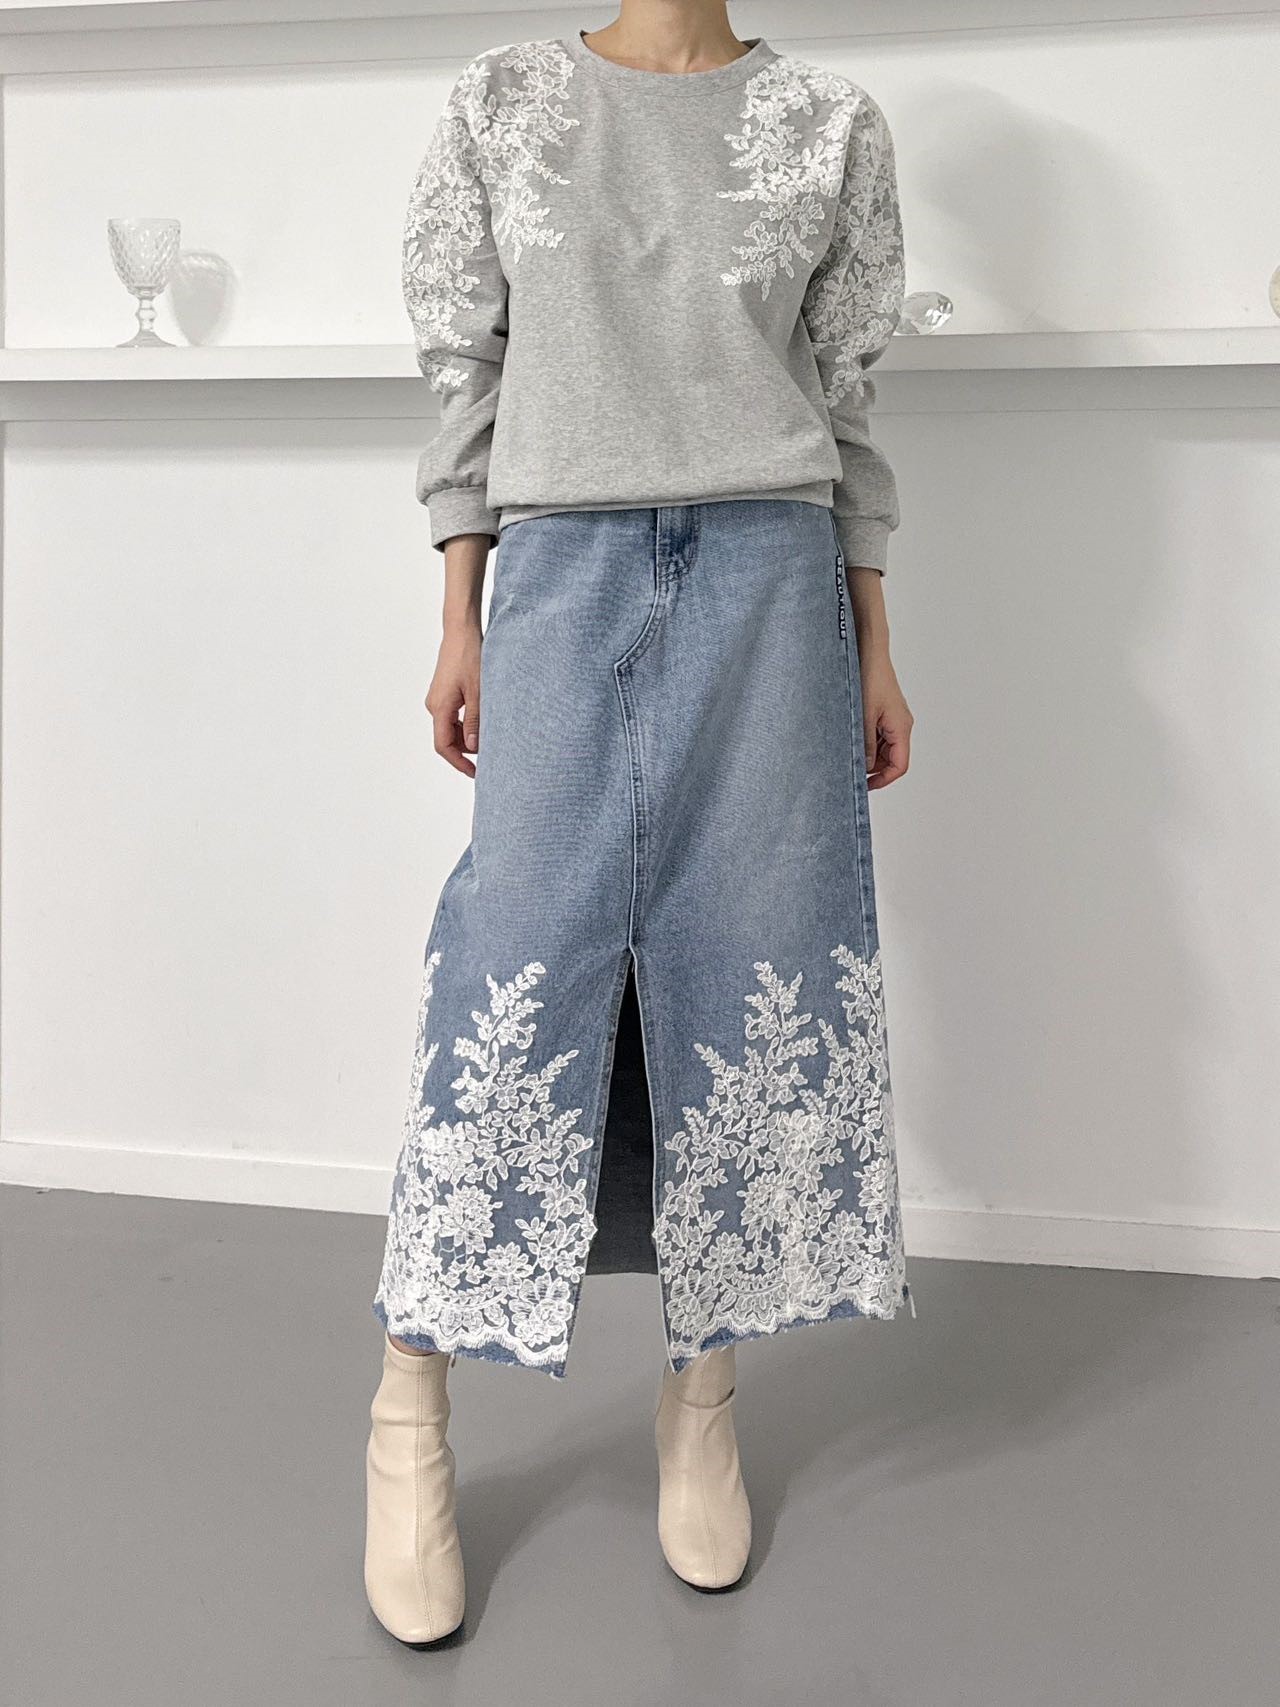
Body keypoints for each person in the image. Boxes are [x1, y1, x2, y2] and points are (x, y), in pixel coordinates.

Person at [364, 0, 916, 1644]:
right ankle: (408, 1409)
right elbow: (467, 370)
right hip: (564, 569)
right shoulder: (503, 100)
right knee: (513, 966)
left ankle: (703, 1396)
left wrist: (875, 640)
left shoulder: (832, 120)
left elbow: (847, 400)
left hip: (770, 579)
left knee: (740, 962)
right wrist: (460, 616)